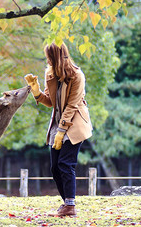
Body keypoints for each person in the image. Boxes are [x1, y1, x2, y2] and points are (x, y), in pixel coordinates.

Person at [25, 42, 92, 217]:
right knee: (55, 167)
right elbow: (51, 102)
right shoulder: (50, 73)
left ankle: (70, 205)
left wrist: (62, 131)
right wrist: (36, 92)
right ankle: (67, 205)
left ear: (56, 57)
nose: (47, 60)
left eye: (49, 57)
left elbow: (71, 106)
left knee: (66, 164)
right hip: (58, 123)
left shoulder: (77, 76)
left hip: (74, 123)